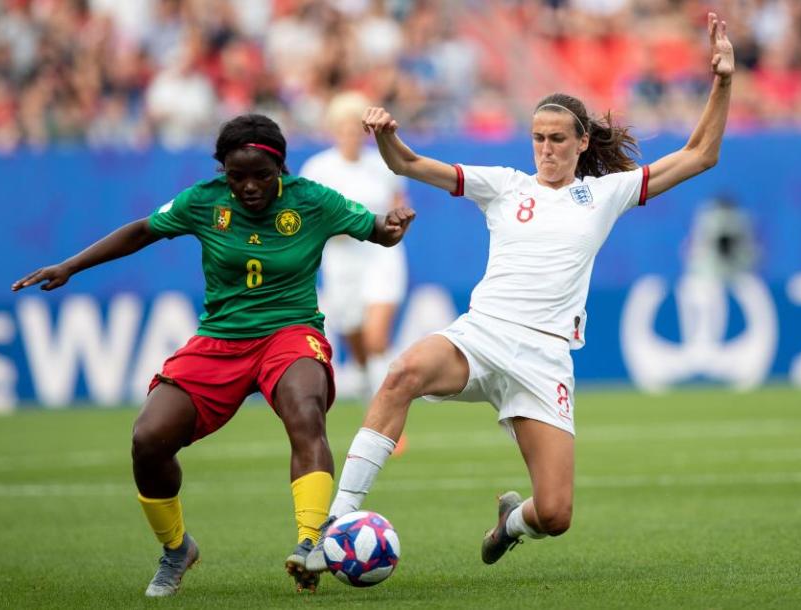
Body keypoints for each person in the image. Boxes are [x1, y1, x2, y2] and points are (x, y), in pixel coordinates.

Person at [306, 12, 734, 573]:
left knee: (555, 514)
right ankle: (334, 525)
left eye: (558, 139)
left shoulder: (605, 194)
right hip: (482, 335)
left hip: (544, 357)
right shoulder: (503, 186)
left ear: (582, 142)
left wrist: (723, 80)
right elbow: (408, 163)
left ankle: (510, 521)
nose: (546, 149)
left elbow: (701, 154)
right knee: (401, 373)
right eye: (538, 138)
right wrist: (388, 136)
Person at [11, 114, 416, 595]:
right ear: (221, 170)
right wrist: (71, 265)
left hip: (289, 332)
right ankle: (176, 549)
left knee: (305, 412)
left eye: (260, 176)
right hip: (219, 339)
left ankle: (310, 544)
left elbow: (377, 229)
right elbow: (142, 231)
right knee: (148, 439)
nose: (247, 187)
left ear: (281, 169)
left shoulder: (312, 199)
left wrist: (392, 227)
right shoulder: (203, 201)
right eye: (235, 175)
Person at [299, 91, 411, 452]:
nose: (350, 132)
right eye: (343, 125)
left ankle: (386, 430)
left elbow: (399, 204)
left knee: (377, 339)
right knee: (357, 341)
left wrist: (395, 225)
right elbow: (308, 220)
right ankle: (370, 397)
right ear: (333, 129)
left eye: (355, 126)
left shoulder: (382, 164)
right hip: (341, 261)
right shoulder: (317, 169)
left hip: (380, 256)